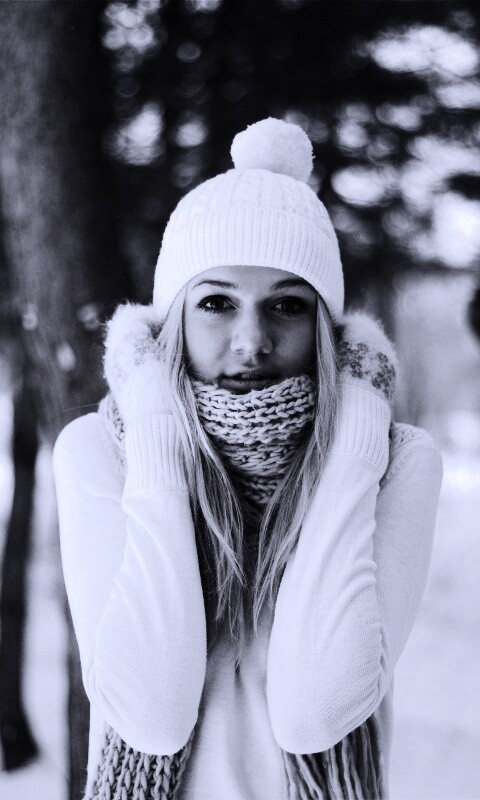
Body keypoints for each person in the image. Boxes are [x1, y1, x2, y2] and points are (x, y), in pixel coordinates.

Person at [53, 118, 443, 800]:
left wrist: (354, 434)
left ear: (327, 330)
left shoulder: (394, 463)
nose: (252, 340)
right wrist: (155, 427)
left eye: (287, 305)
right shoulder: (103, 450)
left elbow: (314, 712)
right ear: (173, 319)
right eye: (216, 302)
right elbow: (151, 715)